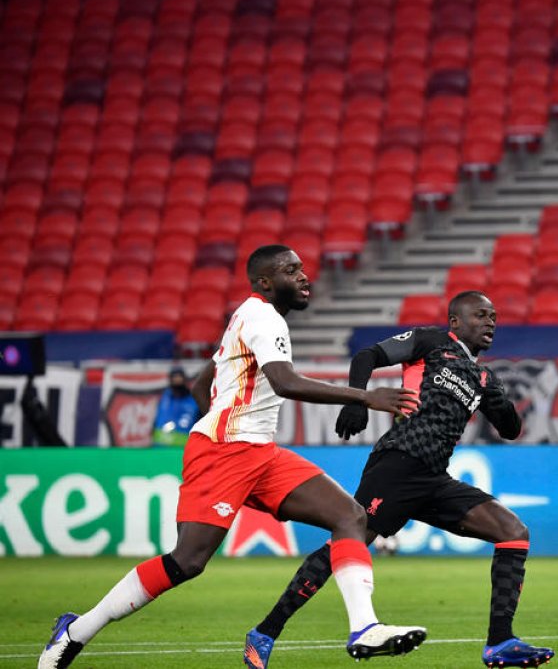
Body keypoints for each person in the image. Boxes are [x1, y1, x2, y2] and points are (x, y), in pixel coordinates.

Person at [40, 245, 427, 669]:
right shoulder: (262, 317)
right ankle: (76, 631)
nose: (303, 276)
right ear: (265, 282)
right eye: (290, 270)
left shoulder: (246, 317)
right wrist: (365, 397)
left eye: (302, 269)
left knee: (350, 516)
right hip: (225, 451)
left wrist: (231, 421)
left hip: (258, 451)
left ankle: (364, 627)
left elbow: (200, 385)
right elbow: (284, 382)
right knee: (187, 562)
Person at [243, 290, 555, 669]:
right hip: (397, 465)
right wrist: (357, 401)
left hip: (434, 479)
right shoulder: (431, 341)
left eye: (493, 316)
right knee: (347, 543)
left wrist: (501, 402)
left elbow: (510, 429)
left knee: (512, 531)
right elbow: (367, 356)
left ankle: (500, 642)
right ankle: (265, 632)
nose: (490, 322)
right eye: (480, 315)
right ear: (455, 321)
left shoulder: (484, 375)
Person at [152, 367, 200, 446]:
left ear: (185, 380)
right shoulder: (164, 397)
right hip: (160, 446)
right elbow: (156, 419)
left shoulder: (194, 400)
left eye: (179, 377)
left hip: (183, 448)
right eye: (174, 377)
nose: (177, 380)